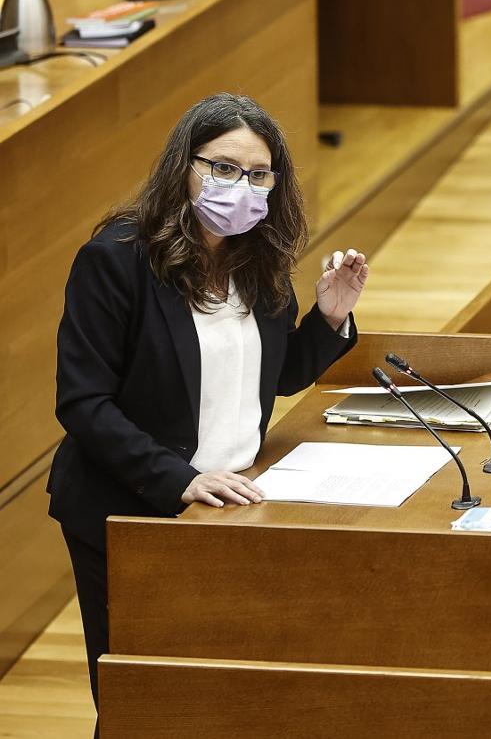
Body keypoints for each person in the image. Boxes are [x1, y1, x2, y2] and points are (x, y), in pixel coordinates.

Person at [48, 93, 368, 736]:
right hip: (134, 510)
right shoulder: (117, 259)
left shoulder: (260, 259)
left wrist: (330, 318)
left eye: (257, 175)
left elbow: (268, 380)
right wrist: (179, 480)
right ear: (183, 167)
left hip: (232, 510)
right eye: (222, 167)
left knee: (226, 697)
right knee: (144, 700)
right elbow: (83, 403)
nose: (240, 187)